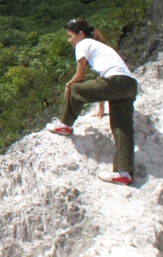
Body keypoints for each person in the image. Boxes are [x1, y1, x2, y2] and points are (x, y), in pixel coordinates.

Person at [46, 18, 138, 186]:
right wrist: (101, 108)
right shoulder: (101, 47)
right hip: (129, 85)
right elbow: (103, 80)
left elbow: (79, 77)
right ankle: (123, 172)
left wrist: (68, 85)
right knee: (122, 128)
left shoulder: (83, 44)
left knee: (75, 89)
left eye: (70, 36)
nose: (69, 40)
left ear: (80, 34)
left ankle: (64, 125)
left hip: (115, 82)